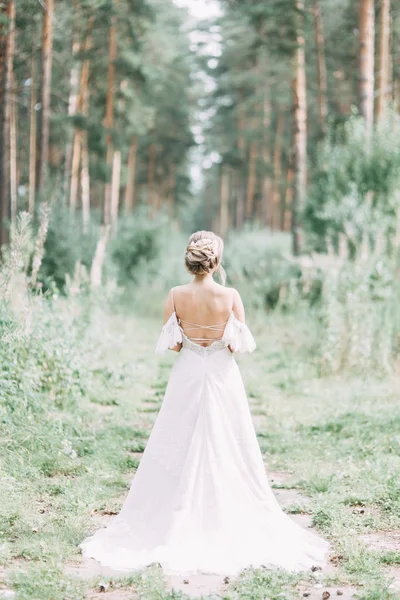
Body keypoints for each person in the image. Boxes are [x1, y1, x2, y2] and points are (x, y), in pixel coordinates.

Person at [81, 230, 330, 575]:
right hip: (222, 375)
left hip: (187, 374)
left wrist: (195, 345)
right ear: (216, 259)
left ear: (191, 258)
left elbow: (174, 345)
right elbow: (237, 345)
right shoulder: (230, 296)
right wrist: (215, 344)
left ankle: (170, 511)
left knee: (177, 439)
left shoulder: (175, 295)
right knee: (227, 441)